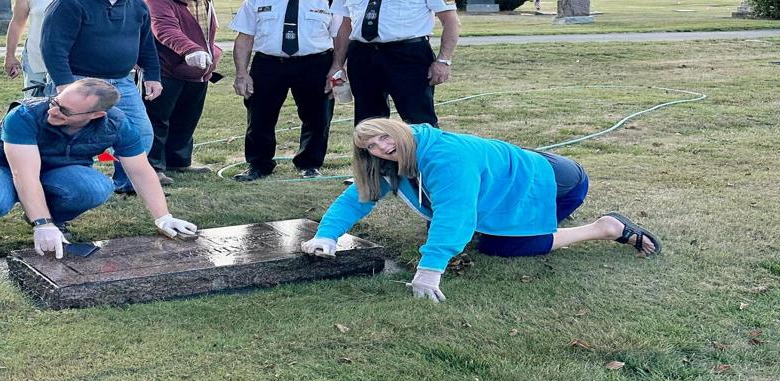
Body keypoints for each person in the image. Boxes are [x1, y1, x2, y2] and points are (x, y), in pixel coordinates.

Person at [300, 118, 659, 303]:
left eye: (385, 137)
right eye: (371, 146)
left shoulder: (444, 157)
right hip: (515, 177)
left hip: (559, 182)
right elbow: (356, 198)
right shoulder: (390, 161)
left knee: (502, 245)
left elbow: (455, 215)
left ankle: (606, 227)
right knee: (476, 231)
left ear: (401, 131)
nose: (381, 147)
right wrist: (327, 235)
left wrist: (430, 270)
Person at [0, 79, 200, 256]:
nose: (53, 111)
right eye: (56, 102)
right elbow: (23, 174)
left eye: (64, 111)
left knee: (96, 187)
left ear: (95, 115)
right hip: (0, 167)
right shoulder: (25, 114)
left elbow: (140, 171)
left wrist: (163, 217)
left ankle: (55, 219)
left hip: (59, 170)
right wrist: (41, 224)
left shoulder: (116, 123)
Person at [42, 0, 168, 192]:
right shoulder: (69, 4)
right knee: (72, 135)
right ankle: (65, 184)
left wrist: (152, 75)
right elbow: (53, 47)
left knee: (140, 132)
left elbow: (147, 44)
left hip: (122, 82)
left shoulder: (137, 6)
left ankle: (127, 183)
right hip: (79, 81)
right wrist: (65, 86)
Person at [227, 0, 339, 181]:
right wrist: (241, 73)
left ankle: (310, 164)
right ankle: (258, 164)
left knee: (318, 117)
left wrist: (338, 67)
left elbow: (339, 36)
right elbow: (245, 37)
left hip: (316, 63)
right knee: (259, 116)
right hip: (268, 63)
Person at [330, 0, 458, 127]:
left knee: (419, 119)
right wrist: (338, 64)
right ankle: (368, 148)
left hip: (408, 55)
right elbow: (346, 25)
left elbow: (450, 20)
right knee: (367, 121)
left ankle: (425, 147)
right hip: (363, 55)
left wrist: (443, 60)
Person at [146, 0, 221, 176]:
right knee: (156, 121)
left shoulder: (205, 2)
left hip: (198, 71)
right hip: (165, 70)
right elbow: (165, 29)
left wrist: (213, 53)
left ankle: (178, 162)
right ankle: (153, 168)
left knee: (187, 119)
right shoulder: (158, 2)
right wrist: (190, 49)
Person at [4, 0, 57, 98]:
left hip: (70, 62)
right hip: (36, 59)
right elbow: (17, 23)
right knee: (34, 106)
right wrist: (10, 55)